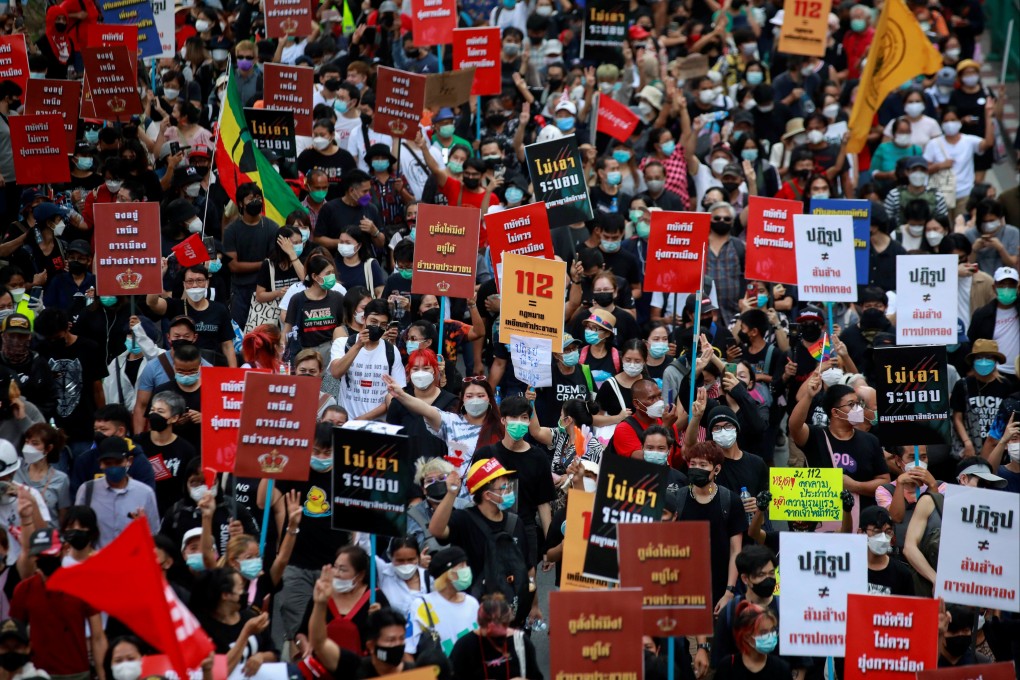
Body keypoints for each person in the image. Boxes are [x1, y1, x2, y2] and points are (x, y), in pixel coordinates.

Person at [11, 528, 107, 679]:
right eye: (41, 555)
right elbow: (14, 638)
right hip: (37, 674)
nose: (46, 559)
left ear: (64, 550)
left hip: (77, 674)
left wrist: (103, 676)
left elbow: (98, 637)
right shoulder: (24, 590)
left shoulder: (83, 585)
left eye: (50, 554)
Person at [790, 378, 890, 509]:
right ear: (835, 412)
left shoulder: (870, 441)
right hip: (824, 519)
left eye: (859, 403)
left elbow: (884, 481)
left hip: (861, 519)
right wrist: (809, 396)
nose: (858, 408)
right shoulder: (815, 437)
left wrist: (855, 486)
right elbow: (794, 426)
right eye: (851, 404)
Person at [74, 436, 159, 547]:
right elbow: (78, 529)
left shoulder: (145, 493)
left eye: (118, 462)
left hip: (131, 560)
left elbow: (153, 534)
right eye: (108, 463)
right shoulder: (87, 490)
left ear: (129, 461)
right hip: (98, 560)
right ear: (100, 464)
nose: (113, 467)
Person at [329, 298, 406, 420]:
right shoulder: (343, 344)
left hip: (379, 425)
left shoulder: (391, 351)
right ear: (364, 319)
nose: (377, 327)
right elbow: (336, 372)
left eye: (383, 325)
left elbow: (397, 394)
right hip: (347, 424)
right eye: (373, 322)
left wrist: (363, 419)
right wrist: (358, 345)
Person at [405, 545, 479, 658]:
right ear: (448, 574)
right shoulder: (422, 605)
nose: (467, 569)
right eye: (462, 565)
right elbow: (408, 650)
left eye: (466, 564)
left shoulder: (472, 603)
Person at [449, 593, 541, 679]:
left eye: (502, 635)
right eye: (490, 635)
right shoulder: (464, 646)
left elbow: (536, 677)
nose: (497, 642)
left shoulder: (521, 642)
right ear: (480, 623)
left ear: (507, 623)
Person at [713, 602, 790, 679]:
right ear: (746, 636)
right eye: (764, 632)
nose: (770, 636)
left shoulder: (781, 669)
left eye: (772, 630)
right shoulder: (727, 667)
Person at [859, 506, 914, 596]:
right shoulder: (851, 569)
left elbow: (909, 608)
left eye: (888, 532)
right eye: (877, 531)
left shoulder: (902, 574)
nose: (883, 538)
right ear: (861, 533)